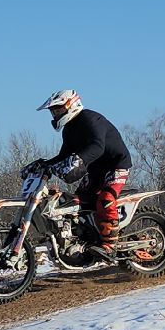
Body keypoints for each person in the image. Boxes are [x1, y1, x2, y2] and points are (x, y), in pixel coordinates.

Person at [34, 90, 133, 254]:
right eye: (53, 112)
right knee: (77, 203)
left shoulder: (91, 119)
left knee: (105, 199)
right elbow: (63, 155)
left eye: (58, 110)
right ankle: (86, 239)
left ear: (70, 105)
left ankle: (110, 245)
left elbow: (98, 146)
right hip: (96, 171)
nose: (55, 114)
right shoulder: (69, 130)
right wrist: (44, 165)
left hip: (116, 165)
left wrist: (79, 159)